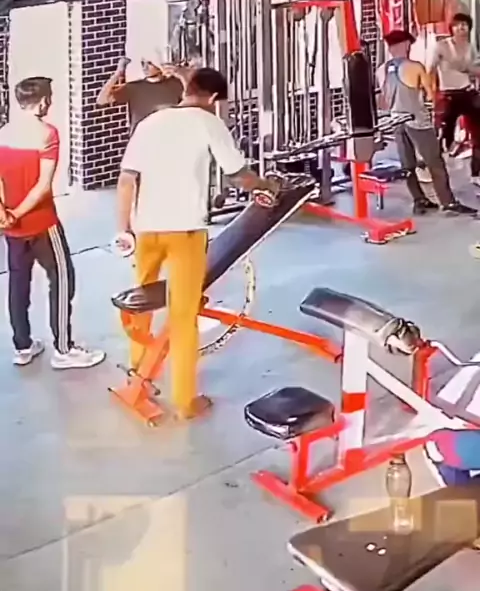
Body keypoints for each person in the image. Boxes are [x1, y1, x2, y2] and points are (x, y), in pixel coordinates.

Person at [115, 66, 279, 420]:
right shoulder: (208, 122)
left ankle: (138, 374)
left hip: (146, 230)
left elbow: (126, 180)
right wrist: (267, 185)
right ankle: (185, 401)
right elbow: (238, 176)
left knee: (142, 301)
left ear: (186, 89)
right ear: (214, 98)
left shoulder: (151, 122)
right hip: (186, 231)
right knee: (183, 314)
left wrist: (123, 228)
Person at [0, 77, 106, 369]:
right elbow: (43, 186)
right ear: (44, 101)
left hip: (11, 228)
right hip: (43, 223)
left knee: (18, 285)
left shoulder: (3, 134)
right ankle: (63, 349)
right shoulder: (47, 134)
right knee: (61, 278)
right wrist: (18, 213)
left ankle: (23, 347)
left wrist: (5, 214)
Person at [377, 29, 476, 216]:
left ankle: (419, 200)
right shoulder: (415, 67)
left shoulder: (381, 70)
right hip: (417, 121)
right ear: (406, 44)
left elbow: (383, 100)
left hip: (396, 121)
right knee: (434, 162)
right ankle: (448, 203)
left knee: (407, 164)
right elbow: (431, 96)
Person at [429, 12, 480, 182]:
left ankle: (476, 174)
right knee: (444, 137)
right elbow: (430, 70)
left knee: (478, 135)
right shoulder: (442, 46)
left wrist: (470, 70)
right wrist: (431, 92)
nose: (461, 28)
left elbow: (474, 69)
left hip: (467, 92)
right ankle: (433, 171)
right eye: (458, 25)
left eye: (464, 25)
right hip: (448, 94)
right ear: (452, 28)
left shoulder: (470, 47)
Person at [96, 48, 184, 134]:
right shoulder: (133, 87)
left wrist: (180, 73)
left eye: (149, 63)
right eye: (143, 63)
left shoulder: (175, 84)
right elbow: (102, 100)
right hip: (142, 139)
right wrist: (117, 74)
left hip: (167, 136)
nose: (145, 67)